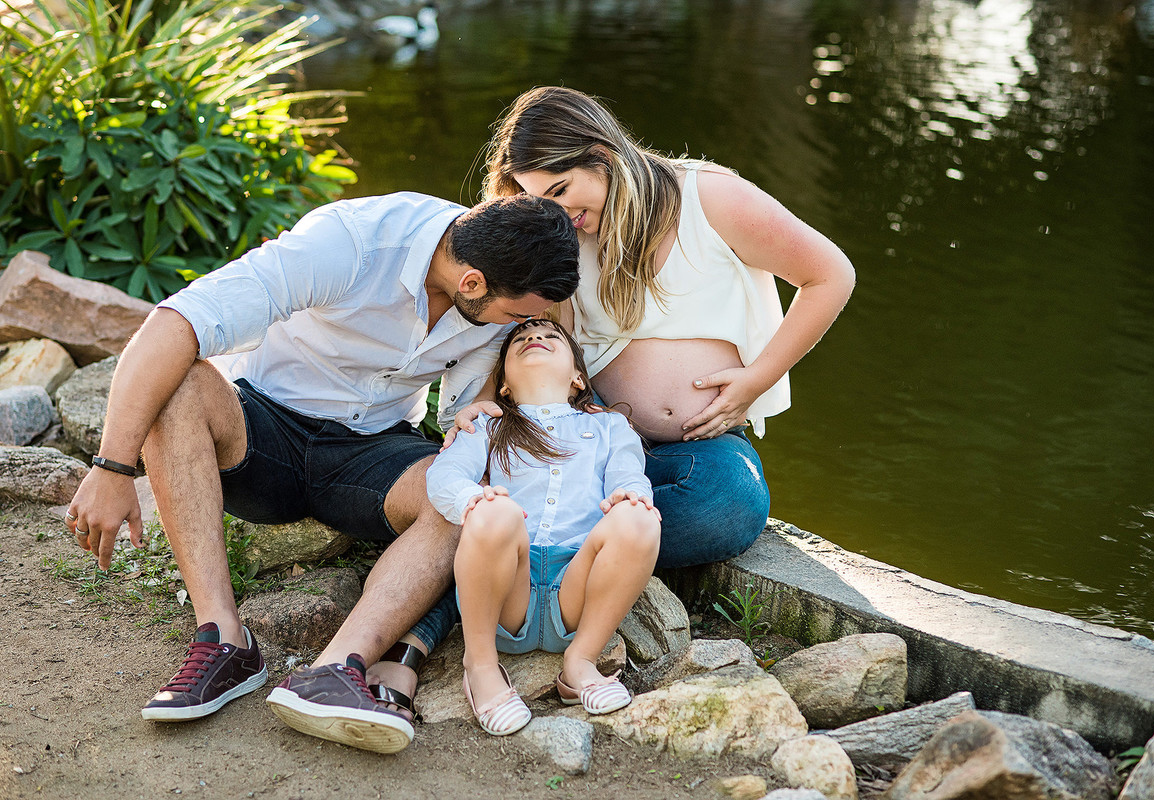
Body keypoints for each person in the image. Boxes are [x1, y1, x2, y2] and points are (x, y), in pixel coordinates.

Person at [63, 191, 580, 754]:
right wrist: (112, 467)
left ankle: (333, 671)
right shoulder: (353, 241)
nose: (524, 326)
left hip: (373, 450)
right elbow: (179, 319)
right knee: (183, 384)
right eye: (517, 316)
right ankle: (224, 639)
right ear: (473, 283)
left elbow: (462, 413)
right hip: (264, 427)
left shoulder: (497, 289)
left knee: (468, 501)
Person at [455, 85, 857, 568]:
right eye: (542, 201)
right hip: (587, 432)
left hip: (698, 446)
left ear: (602, 154)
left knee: (725, 504)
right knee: (485, 482)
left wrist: (758, 378)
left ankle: (547, 556)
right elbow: (536, 326)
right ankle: (567, 563)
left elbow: (830, 275)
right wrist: (486, 397)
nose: (560, 214)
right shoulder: (565, 234)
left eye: (561, 190)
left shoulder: (708, 197)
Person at [427, 319, 660, 736]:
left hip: (578, 587)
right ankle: (480, 666)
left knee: (640, 516)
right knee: (496, 508)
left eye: (552, 336)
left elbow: (629, 477)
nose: (536, 338)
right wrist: (474, 500)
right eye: (521, 339)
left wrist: (629, 498)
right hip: (506, 593)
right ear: (503, 386)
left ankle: (580, 662)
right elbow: (444, 476)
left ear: (576, 377)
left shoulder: (609, 427)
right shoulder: (486, 426)